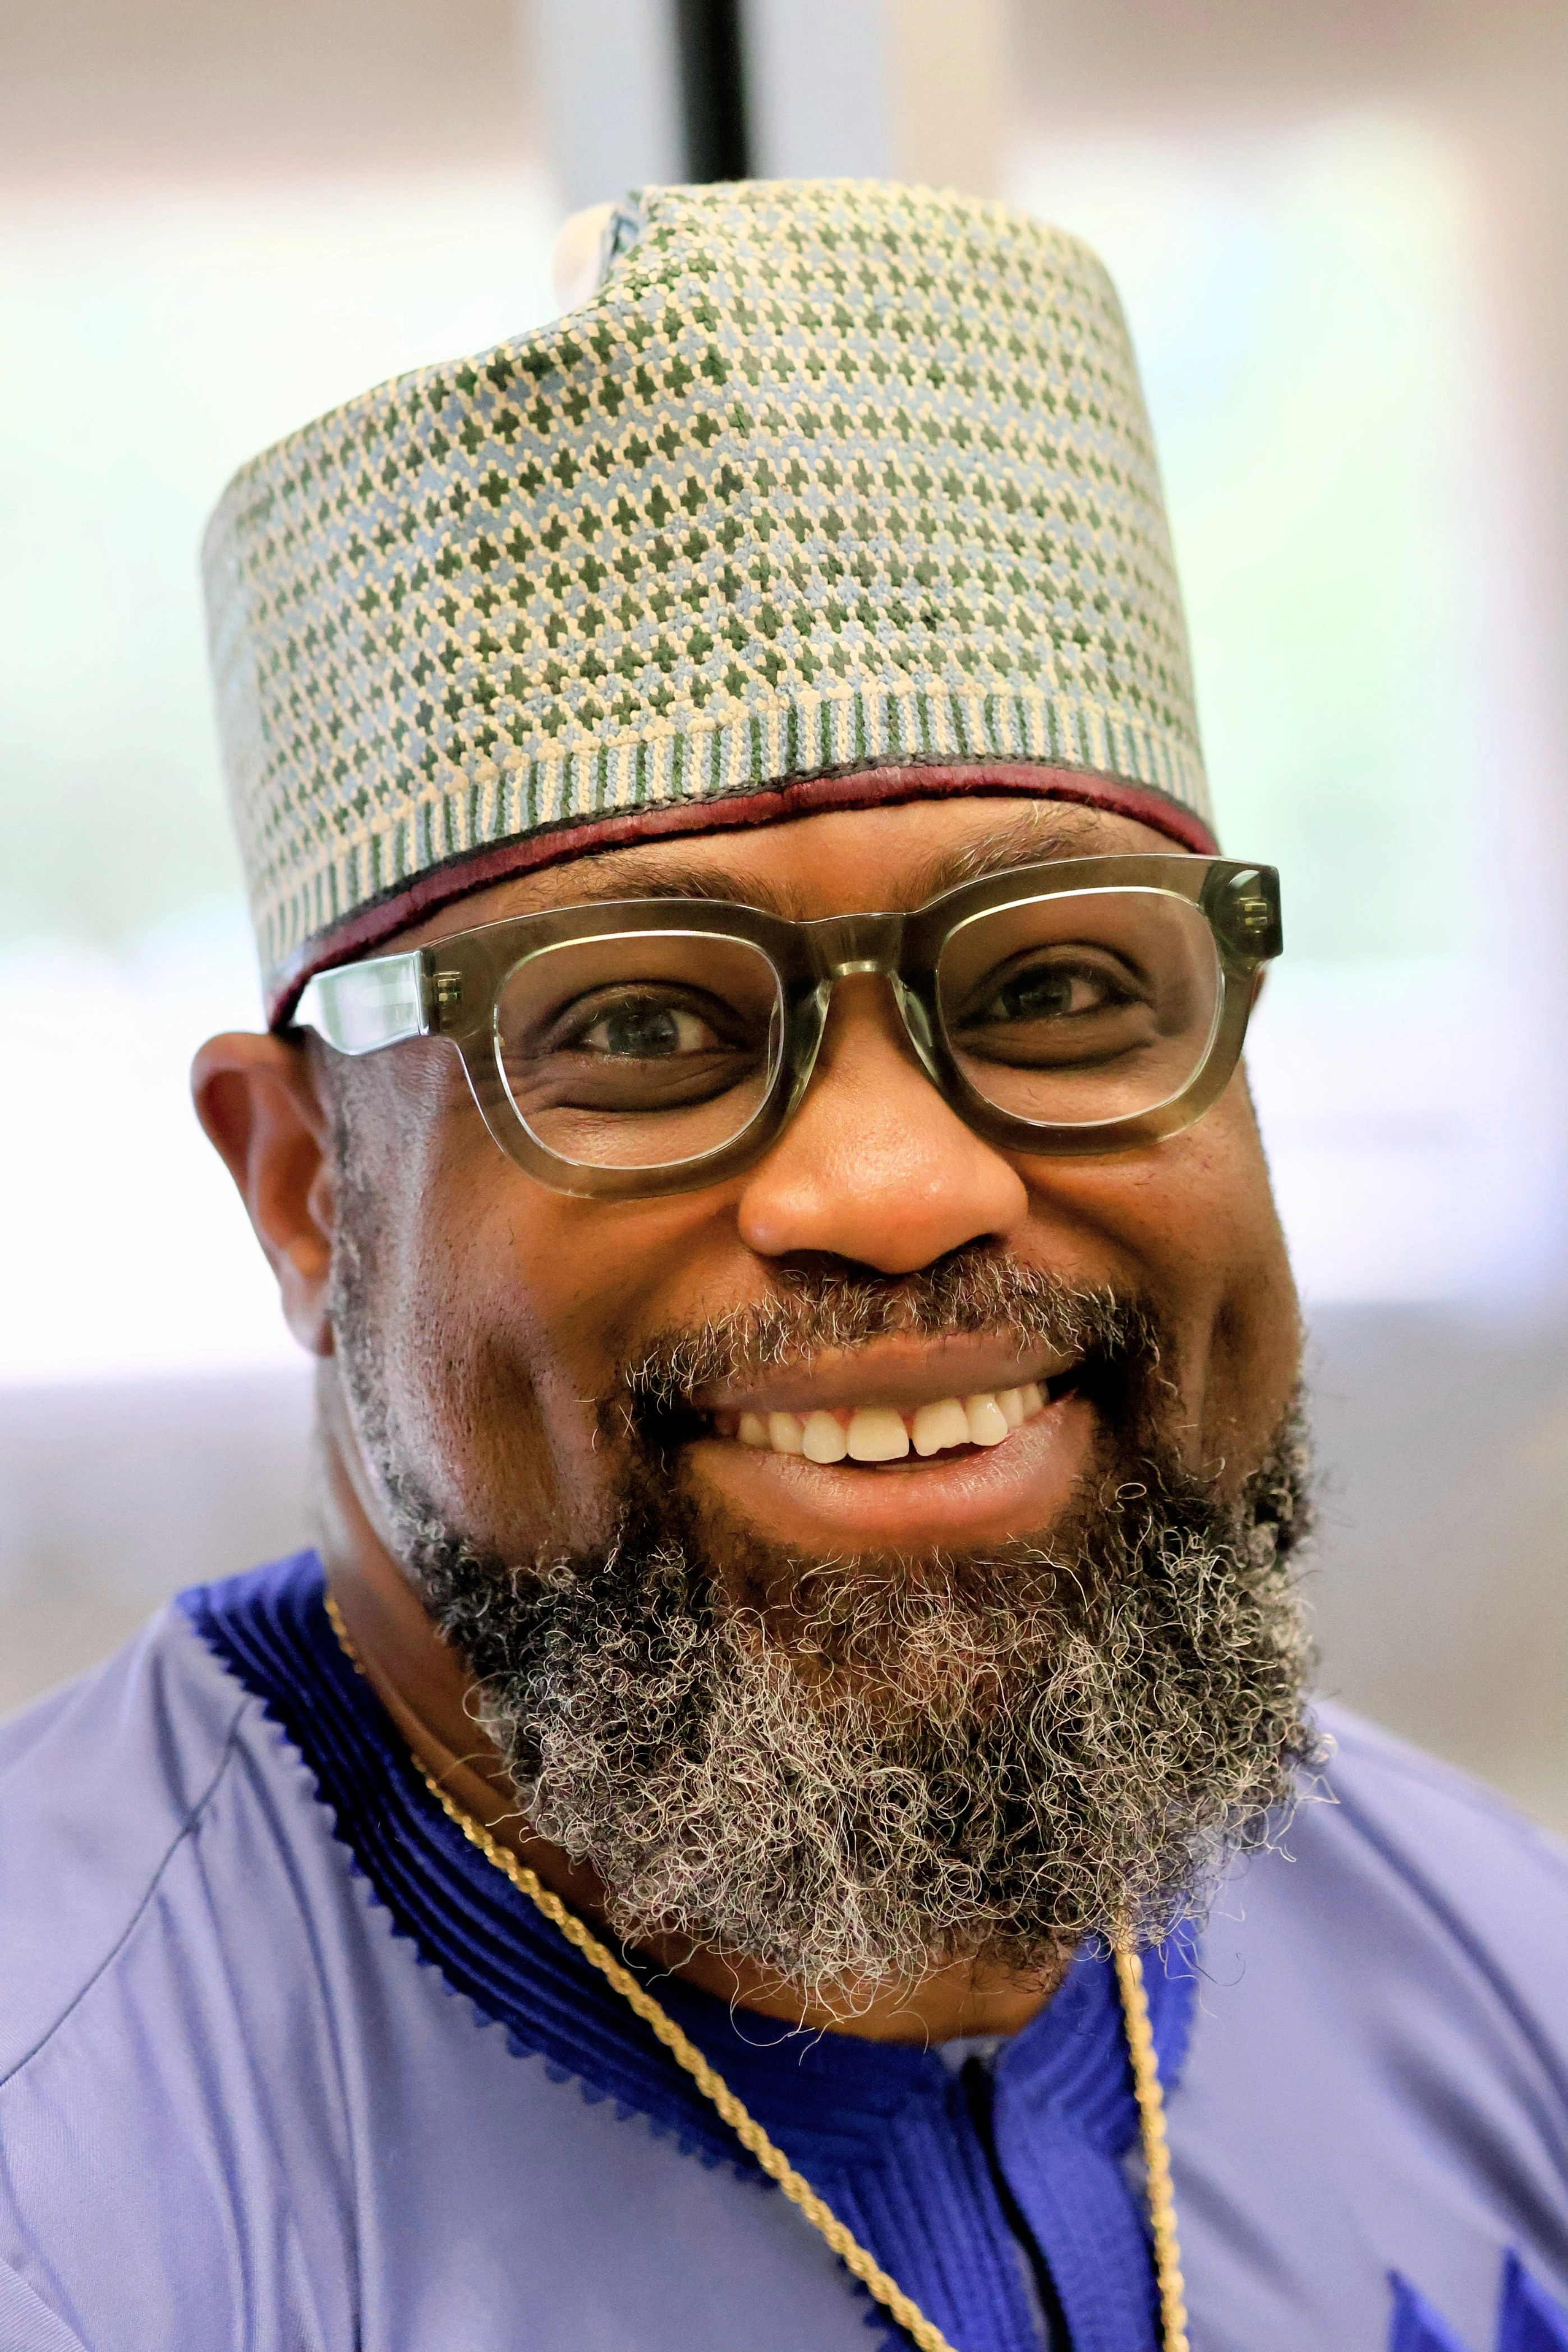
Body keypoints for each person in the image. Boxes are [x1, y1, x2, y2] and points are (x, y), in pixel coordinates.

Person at [1, 180, 1562, 2352]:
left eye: (1051, 990)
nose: (898, 1187)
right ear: (301, 1190)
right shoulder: (66, 2171)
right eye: (638, 1025)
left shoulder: (1504, 1984)